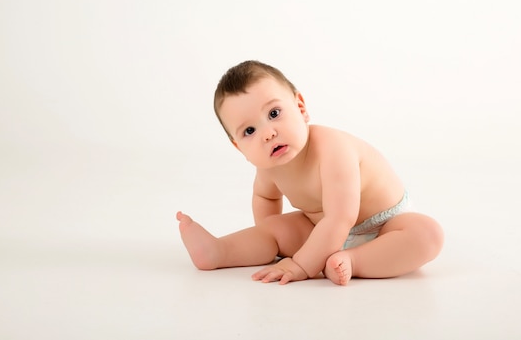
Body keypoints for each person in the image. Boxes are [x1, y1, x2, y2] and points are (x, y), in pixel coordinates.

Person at [176, 60, 443, 285]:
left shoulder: (333, 150)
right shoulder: (268, 167)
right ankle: (219, 252)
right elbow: (265, 200)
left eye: (274, 113)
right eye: (249, 131)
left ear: (301, 108)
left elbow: (341, 217)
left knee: (427, 233)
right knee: (275, 229)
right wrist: (271, 240)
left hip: (386, 227)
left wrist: (301, 265)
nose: (268, 134)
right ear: (238, 147)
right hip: (320, 230)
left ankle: (354, 260)